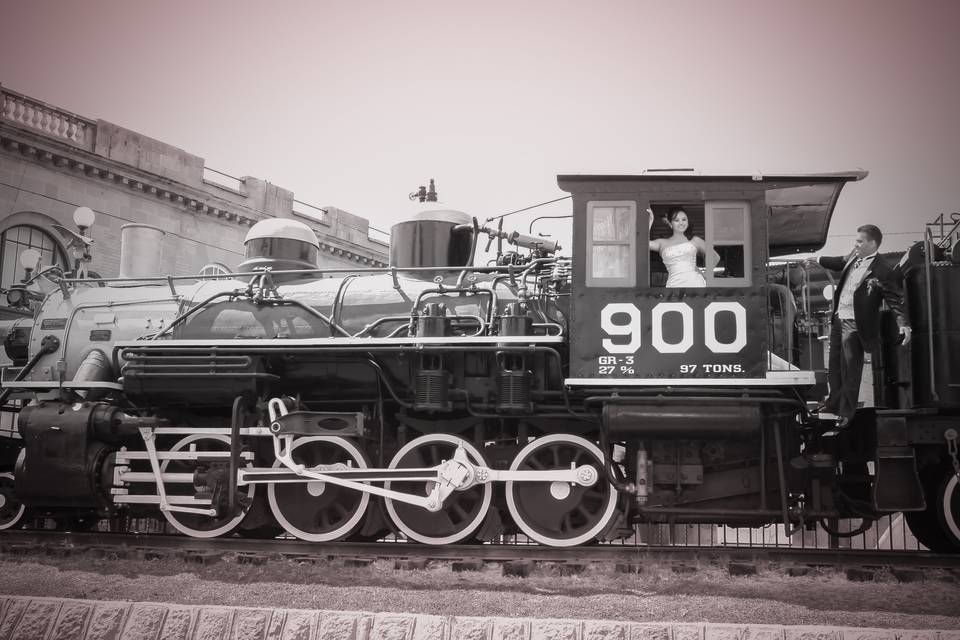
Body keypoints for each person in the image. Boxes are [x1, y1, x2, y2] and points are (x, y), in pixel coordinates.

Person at [805, 224, 911, 427]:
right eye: (856, 240)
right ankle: (833, 404)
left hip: (855, 324)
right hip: (838, 319)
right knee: (834, 367)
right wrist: (816, 259)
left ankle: (846, 412)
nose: (856, 244)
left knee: (850, 369)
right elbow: (839, 262)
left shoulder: (882, 269)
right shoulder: (854, 256)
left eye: (860, 241)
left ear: (872, 243)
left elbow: (895, 299)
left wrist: (903, 324)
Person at [647, 207, 716, 287]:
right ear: (670, 223)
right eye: (676, 220)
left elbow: (715, 256)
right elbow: (643, 244)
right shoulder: (662, 243)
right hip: (674, 285)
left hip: (696, 284)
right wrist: (650, 221)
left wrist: (705, 274)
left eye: (684, 219)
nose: (681, 223)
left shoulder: (695, 240)